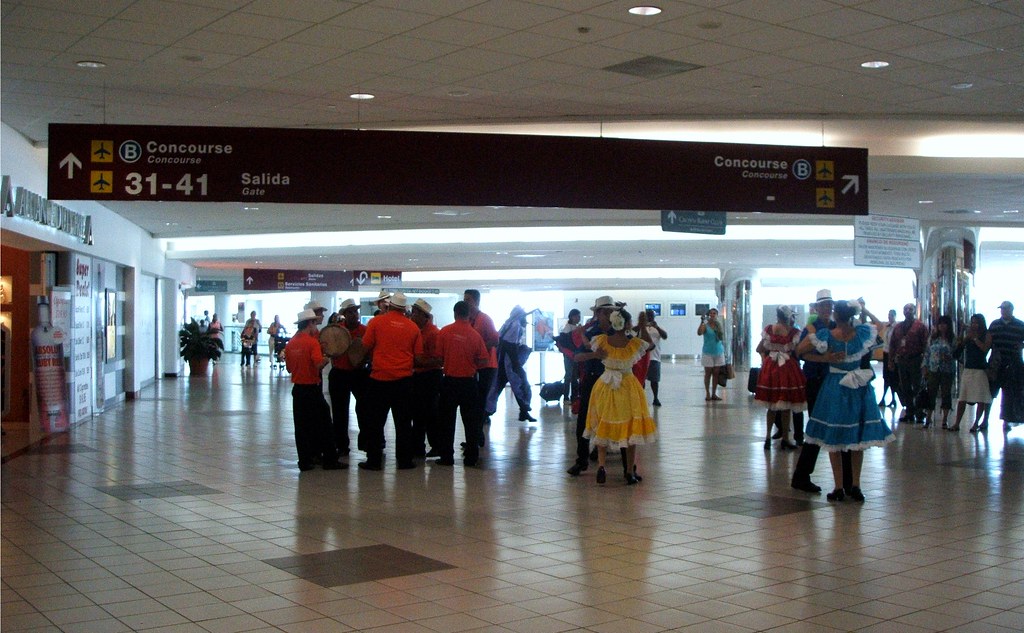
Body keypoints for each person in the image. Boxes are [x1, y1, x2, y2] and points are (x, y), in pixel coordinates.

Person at [798, 300, 894, 502]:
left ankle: (839, 487)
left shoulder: (826, 336)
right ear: (852, 315)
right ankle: (856, 486)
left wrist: (825, 359)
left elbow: (800, 351)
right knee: (857, 437)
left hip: (835, 384)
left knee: (835, 436)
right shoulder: (862, 334)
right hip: (858, 387)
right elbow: (882, 326)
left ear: (835, 315)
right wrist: (864, 308)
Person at [583, 308, 657, 485]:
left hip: (605, 385)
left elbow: (586, 342)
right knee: (631, 428)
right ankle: (630, 471)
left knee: (603, 423)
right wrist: (642, 327)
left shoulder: (601, 341)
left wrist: (583, 332)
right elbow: (650, 345)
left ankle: (602, 465)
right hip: (627, 385)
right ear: (627, 324)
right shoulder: (632, 344)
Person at [791, 289, 853, 494]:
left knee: (840, 426)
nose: (828, 309)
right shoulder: (812, 328)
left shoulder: (837, 327)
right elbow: (799, 353)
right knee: (818, 427)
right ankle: (801, 475)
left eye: (830, 305)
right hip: (816, 381)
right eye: (824, 305)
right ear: (817, 308)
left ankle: (846, 479)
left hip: (836, 382)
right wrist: (824, 359)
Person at [357, 292, 425, 470]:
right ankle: (404, 460)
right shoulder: (413, 328)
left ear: (390, 305)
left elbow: (365, 346)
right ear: (404, 309)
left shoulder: (376, 323)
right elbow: (418, 357)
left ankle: (374, 460)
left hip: (379, 380)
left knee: (375, 422)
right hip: (403, 381)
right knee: (403, 424)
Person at [285, 308, 345, 471]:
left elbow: (289, 369)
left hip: (298, 391)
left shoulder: (291, 343)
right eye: (314, 322)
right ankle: (330, 460)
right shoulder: (312, 342)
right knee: (325, 424)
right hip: (312, 389)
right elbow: (318, 364)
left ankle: (304, 461)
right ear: (310, 323)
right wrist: (327, 357)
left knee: (301, 427)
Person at [435, 301, 490, 466]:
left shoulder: (444, 332)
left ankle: (446, 457)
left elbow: (439, 358)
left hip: (450, 382)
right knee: (471, 422)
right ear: (469, 315)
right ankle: (471, 457)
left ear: (455, 313)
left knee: (446, 421)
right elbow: (484, 359)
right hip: (469, 383)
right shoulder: (475, 335)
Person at [567, 296, 617, 476]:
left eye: (611, 311)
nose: (609, 315)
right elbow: (576, 356)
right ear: (597, 314)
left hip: (611, 380)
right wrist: (594, 355)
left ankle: (612, 457)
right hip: (592, 379)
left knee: (612, 418)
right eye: (605, 312)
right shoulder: (590, 333)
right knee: (584, 419)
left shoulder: (617, 334)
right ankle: (582, 459)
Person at [755, 305, 806, 450]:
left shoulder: (769, 330)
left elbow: (759, 348)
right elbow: (797, 351)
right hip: (787, 368)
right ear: (789, 317)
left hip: (770, 367)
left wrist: (770, 354)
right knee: (786, 405)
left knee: (771, 405)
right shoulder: (794, 332)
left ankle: (767, 438)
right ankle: (785, 438)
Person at [327, 299, 367, 459]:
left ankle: (367, 443)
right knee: (339, 411)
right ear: (344, 315)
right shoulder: (336, 331)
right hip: (340, 373)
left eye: (355, 311)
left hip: (359, 373)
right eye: (350, 312)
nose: (354, 315)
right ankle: (341, 445)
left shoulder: (365, 330)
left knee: (364, 409)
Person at [489, 306, 535, 422]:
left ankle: (486, 413)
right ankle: (524, 410)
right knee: (521, 385)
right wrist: (516, 365)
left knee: (497, 387)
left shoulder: (509, 323)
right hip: (508, 362)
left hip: (503, 361)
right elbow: (509, 345)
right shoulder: (515, 325)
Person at [409, 299, 443, 457]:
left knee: (430, 413)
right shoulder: (416, 331)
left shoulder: (434, 333)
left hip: (430, 376)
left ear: (425, 316)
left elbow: (438, 359)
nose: (412, 315)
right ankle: (418, 446)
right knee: (417, 412)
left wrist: (420, 362)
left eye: (415, 313)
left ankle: (436, 445)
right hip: (418, 376)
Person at [889, 302, 929, 423]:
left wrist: (925, 362)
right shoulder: (898, 327)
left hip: (916, 359)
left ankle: (919, 411)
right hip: (902, 360)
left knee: (917, 386)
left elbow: (926, 345)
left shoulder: (920, 326)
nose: (908, 311)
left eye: (910, 309)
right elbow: (893, 344)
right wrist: (890, 360)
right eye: (905, 309)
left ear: (914, 311)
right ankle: (909, 412)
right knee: (905, 387)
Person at [464, 289, 500, 425]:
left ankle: (478, 432)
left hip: (486, 366)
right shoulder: (467, 320)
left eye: (468, 300)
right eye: (464, 299)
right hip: (473, 365)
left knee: (480, 399)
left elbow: (495, 340)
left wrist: (479, 347)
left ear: (477, 302)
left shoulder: (484, 319)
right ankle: (476, 434)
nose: (465, 302)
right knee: (473, 400)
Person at [989, 301, 1024, 432]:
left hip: (1014, 363)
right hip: (997, 363)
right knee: (991, 391)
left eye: (1005, 309)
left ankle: (1007, 419)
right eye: (1002, 309)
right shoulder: (995, 325)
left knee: (1009, 393)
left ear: (1011, 310)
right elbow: (988, 341)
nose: (1003, 311)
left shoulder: (1020, 325)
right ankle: (985, 419)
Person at [954, 314, 992, 433]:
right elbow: (960, 346)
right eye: (973, 322)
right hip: (968, 368)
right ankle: (957, 423)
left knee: (980, 398)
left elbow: (985, 348)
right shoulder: (969, 335)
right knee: (962, 398)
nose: (974, 325)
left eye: (977, 322)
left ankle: (976, 423)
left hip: (980, 369)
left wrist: (975, 339)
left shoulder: (987, 334)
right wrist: (963, 333)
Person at [922, 315, 956, 429]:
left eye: (944, 324)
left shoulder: (952, 339)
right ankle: (928, 417)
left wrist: (949, 356)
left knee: (946, 393)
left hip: (947, 370)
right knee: (931, 392)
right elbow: (927, 352)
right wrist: (924, 366)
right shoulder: (932, 338)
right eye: (940, 324)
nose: (942, 326)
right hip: (933, 368)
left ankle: (945, 419)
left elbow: (956, 353)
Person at [697, 308, 726, 401]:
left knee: (716, 373)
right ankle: (707, 393)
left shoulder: (718, 325)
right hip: (708, 352)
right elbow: (699, 333)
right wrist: (702, 322)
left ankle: (714, 393)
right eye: (711, 313)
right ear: (709, 315)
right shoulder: (705, 324)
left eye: (714, 313)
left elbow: (721, 337)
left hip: (718, 351)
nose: (712, 315)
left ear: (717, 315)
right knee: (708, 373)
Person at [643, 309, 668, 407]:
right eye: (648, 316)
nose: (649, 317)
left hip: (655, 357)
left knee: (654, 380)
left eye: (651, 316)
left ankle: (655, 398)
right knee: (642, 379)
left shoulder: (658, 328)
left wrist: (656, 327)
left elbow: (665, 336)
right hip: (643, 357)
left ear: (654, 317)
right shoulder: (641, 328)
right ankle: (642, 398)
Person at [557, 309, 582, 404]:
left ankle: (574, 397)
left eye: (579, 316)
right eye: (577, 316)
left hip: (574, 355)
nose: (578, 318)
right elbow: (566, 343)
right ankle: (566, 398)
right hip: (569, 355)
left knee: (574, 376)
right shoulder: (567, 328)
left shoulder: (575, 327)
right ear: (572, 316)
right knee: (569, 375)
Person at [878, 309, 899, 408]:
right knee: (886, 377)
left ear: (895, 316)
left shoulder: (896, 328)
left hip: (892, 354)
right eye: (888, 315)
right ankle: (888, 398)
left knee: (892, 378)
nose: (889, 317)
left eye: (891, 315)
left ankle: (890, 398)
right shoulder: (887, 328)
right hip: (886, 353)